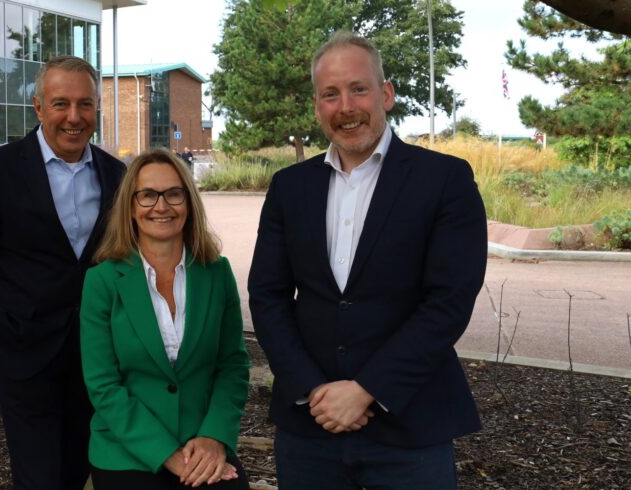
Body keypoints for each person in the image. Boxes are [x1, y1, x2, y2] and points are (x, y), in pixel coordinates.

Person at [248, 31, 487, 489]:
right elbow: (268, 296)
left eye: (358, 88)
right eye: (330, 94)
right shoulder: (289, 187)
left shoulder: (445, 180)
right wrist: (313, 389)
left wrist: (366, 391)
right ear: (317, 105)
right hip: (308, 429)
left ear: (387, 94)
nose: (346, 107)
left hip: (411, 427)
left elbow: (449, 301)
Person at [0, 56, 126, 489]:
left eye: (86, 105)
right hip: (26, 360)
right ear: (38, 107)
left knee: (79, 473)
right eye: (61, 104)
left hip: (99, 360)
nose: (74, 117)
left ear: (97, 109)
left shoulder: (118, 176)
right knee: (38, 479)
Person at [80, 148, 250, 489]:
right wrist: (168, 455)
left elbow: (232, 365)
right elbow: (103, 385)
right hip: (127, 450)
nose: (162, 206)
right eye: (147, 195)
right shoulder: (102, 281)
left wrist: (214, 437)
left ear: (188, 202)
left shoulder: (217, 273)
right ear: (130, 206)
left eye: (173, 194)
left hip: (202, 444)